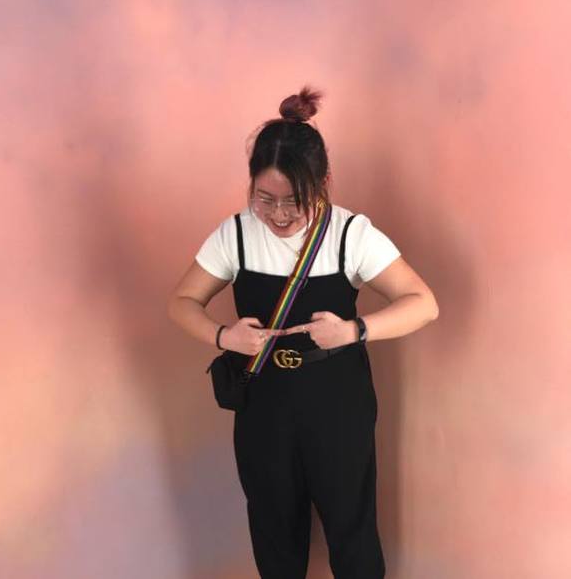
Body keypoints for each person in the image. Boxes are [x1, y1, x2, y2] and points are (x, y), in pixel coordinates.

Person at [167, 86, 439, 579]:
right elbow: (181, 302)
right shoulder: (235, 233)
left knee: (352, 533)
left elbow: (423, 303)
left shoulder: (351, 234)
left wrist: (355, 329)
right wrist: (225, 337)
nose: (278, 215)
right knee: (273, 532)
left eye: (294, 200)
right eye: (264, 199)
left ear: (324, 182)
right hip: (263, 407)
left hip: (338, 404)